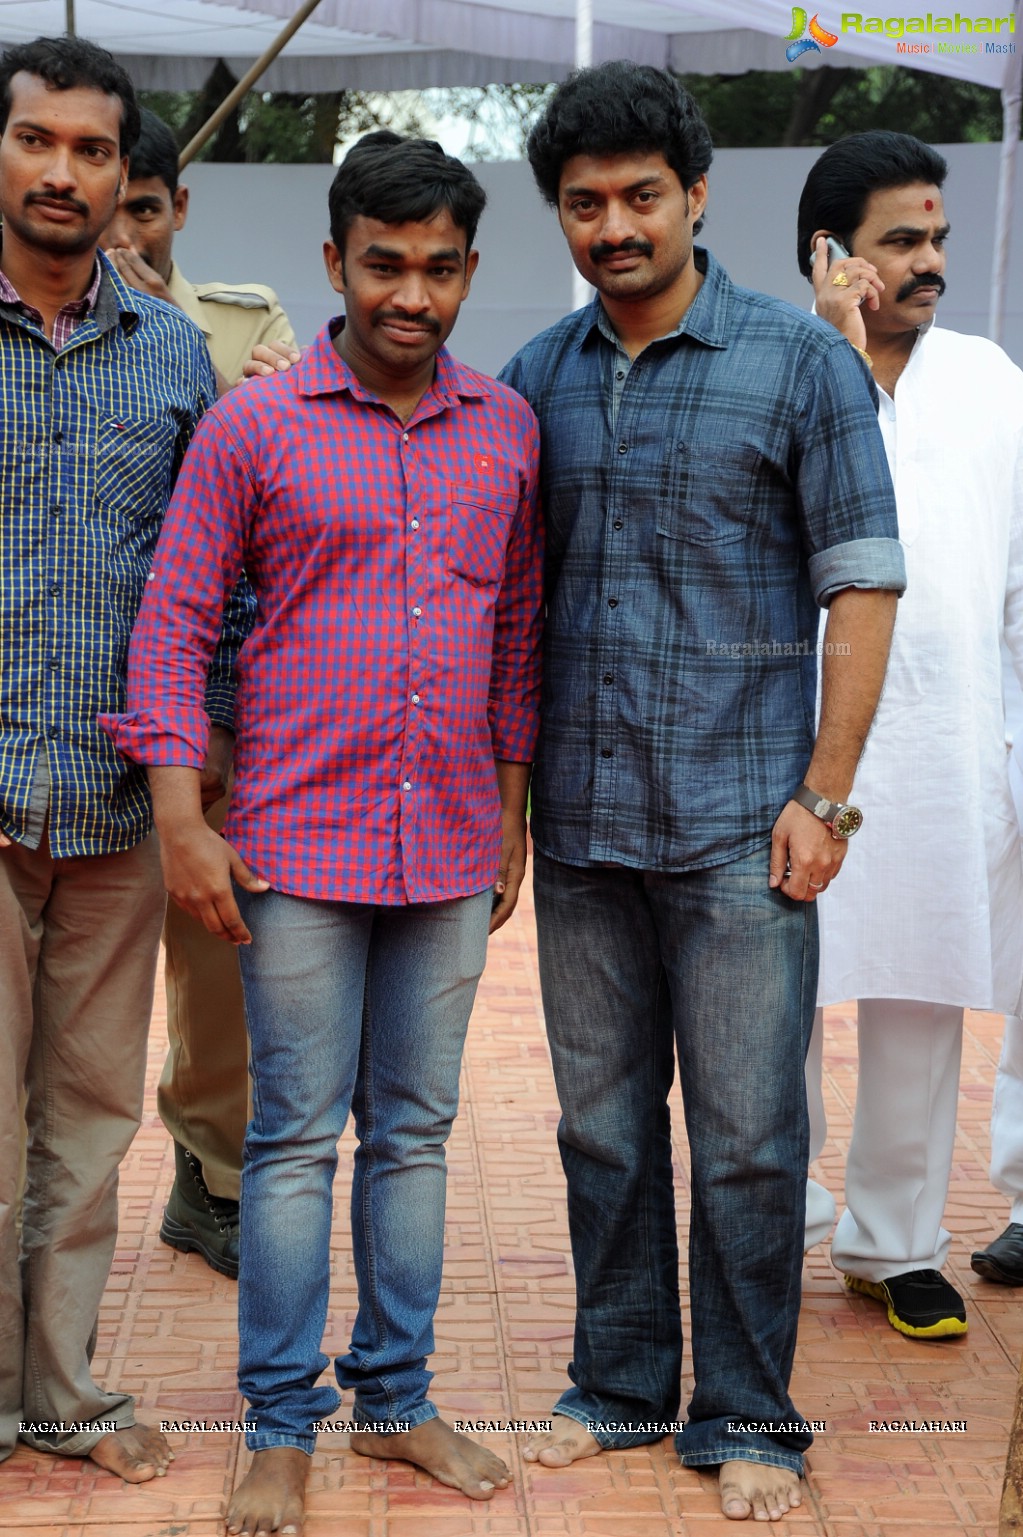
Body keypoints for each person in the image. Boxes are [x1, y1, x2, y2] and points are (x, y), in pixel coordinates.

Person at [102, 131, 543, 1536]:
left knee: (413, 1135)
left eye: (437, 268)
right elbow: (173, 624)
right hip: (294, 844)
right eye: (382, 265)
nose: (409, 295)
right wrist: (181, 812)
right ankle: (280, 1426)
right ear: (334, 262)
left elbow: (517, 631)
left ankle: (397, 1404)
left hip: (453, 842)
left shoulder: (505, 431)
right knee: (293, 1140)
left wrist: (513, 809)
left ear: (468, 267)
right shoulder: (256, 427)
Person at [498, 63, 905, 1524]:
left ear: (696, 195)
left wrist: (826, 797)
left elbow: (859, 583)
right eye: (583, 202)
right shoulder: (537, 375)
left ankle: (747, 1414)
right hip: (587, 832)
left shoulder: (798, 368)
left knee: (744, 1139)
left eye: (638, 196)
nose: (612, 225)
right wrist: (512, 807)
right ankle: (615, 1387)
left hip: (745, 833)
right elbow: (513, 609)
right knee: (600, 1128)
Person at [0, 35, 225, 1483]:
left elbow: (216, 581)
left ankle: (60, 1394)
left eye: (93, 152)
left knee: (86, 1123)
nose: (63, 172)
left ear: (125, 176)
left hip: (116, 806)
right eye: (37, 142)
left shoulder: (173, 354)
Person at [797, 132, 1023, 1333]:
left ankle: (897, 1244)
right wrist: (832, 346)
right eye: (902, 241)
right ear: (828, 254)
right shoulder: (782, 365)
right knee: (773, 1001)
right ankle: (771, 1209)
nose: (930, 262)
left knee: (922, 1000)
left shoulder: (991, 379)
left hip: (947, 752)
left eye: (937, 237)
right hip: (796, 746)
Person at [101, 107, 298, 1280]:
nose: (124, 228)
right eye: (111, 200)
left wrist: (160, 321)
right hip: (73, 688)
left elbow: (255, 443)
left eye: (145, 205)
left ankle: (213, 1173)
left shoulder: (238, 313)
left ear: (179, 208)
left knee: (216, 954)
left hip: (212, 698)